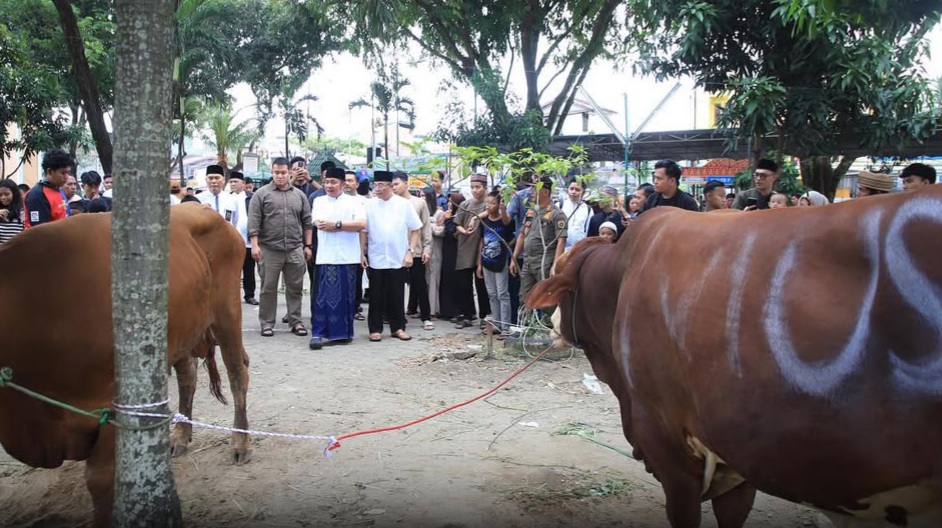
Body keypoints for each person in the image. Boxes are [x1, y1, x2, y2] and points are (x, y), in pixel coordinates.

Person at [248, 157, 314, 338]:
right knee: (268, 288)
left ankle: (296, 321)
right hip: (269, 249)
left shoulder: (299, 195)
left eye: (284, 172)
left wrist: (307, 246)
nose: (280, 176)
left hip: (295, 249)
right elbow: (254, 222)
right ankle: (267, 323)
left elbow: (307, 222)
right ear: (272, 172)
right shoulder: (261, 194)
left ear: (289, 173)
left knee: (295, 287)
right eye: (277, 172)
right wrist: (255, 246)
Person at [308, 167, 367, 349]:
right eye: (327, 182)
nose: (329, 185)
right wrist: (344, 225)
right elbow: (319, 223)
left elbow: (361, 224)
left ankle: (343, 333)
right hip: (325, 256)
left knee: (347, 297)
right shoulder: (318, 200)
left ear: (343, 184)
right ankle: (318, 333)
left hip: (347, 256)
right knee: (321, 297)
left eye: (334, 182)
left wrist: (337, 224)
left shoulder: (355, 202)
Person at [361, 170, 422, 342]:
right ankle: (375, 329)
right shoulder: (369, 205)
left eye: (381, 185)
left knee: (397, 294)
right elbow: (364, 232)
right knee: (376, 295)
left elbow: (416, 229)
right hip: (376, 256)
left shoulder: (404, 204)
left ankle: (398, 328)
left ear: (390, 186)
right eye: (376, 185)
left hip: (398, 257)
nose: (377, 188)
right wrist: (361, 253)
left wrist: (410, 251)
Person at [510, 176, 567, 321]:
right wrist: (514, 257)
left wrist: (555, 265)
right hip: (528, 261)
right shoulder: (531, 212)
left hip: (545, 261)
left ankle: (550, 328)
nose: (532, 191)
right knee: (525, 295)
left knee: (547, 297)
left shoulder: (556, 214)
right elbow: (522, 235)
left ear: (546, 191)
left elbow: (561, 241)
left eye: (536, 188)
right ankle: (527, 327)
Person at [392, 171, 433, 330]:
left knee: (420, 284)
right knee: (397, 286)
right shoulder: (391, 203)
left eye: (397, 184)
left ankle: (426, 317)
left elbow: (426, 227)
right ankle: (398, 317)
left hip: (415, 250)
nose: (394, 187)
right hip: (396, 252)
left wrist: (427, 248)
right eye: (392, 185)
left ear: (406, 184)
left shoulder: (419, 203)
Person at [452, 172, 488, 329]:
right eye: (472, 187)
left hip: (482, 250)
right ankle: (467, 315)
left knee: (482, 285)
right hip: (465, 247)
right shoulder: (466, 205)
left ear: (485, 188)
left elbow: (493, 212)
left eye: (478, 187)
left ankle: (485, 316)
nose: (475, 190)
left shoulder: (489, 204)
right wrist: (463, 230)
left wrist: (475, 218)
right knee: (463, 284)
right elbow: (457, 223)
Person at [476, 191, 514, 336]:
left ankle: (505, 327)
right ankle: (496, 324)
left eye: (492, 203)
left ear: (499, 204)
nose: (489, 205)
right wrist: (479, 263)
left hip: (500, 262)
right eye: (488, 202)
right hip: (486, 261)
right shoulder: (484, 221)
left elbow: (507, 223)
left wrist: (503, 210)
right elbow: (481, 241)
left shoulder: (503, 220)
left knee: (502, 294)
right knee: (492, 294)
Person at [229, 171, 257, 305]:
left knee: (249, 270)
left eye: (236, 181)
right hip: (232, 240)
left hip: (248, 240)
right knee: (232, 271)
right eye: (231, 182)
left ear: (243, 184)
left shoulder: (252, 197)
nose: (233, 184)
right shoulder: (227, 198)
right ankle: (232, 296)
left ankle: (249, 295)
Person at [25, 149, 73, 226]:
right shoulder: (37, 195)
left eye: (68, 173)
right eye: (63, 173)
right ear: (49, 171)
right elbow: (40, 229)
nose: (67, 177)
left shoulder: (59, 190)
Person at [560, 178, 592, 251]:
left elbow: (587, 230)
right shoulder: (560, 205)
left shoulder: (588, 209)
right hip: (560, 248)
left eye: (577, 190)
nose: (573, 192)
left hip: (578, 250)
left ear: (583, 192)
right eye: (571, 189)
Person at [0, 179, 28, 245]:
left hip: (17, 252)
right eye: (0, 195)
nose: (3, 197)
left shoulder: (23, 212)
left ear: (14, 194)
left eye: (7, 194)